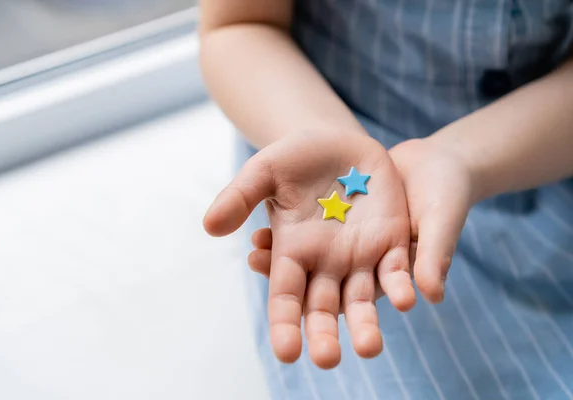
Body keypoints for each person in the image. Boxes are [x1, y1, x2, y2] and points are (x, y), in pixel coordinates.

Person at [200, 1, 573, 399]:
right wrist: (323, 134)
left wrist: (461, 157)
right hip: (316, 138)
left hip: (542, 142)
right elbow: (239, 26)